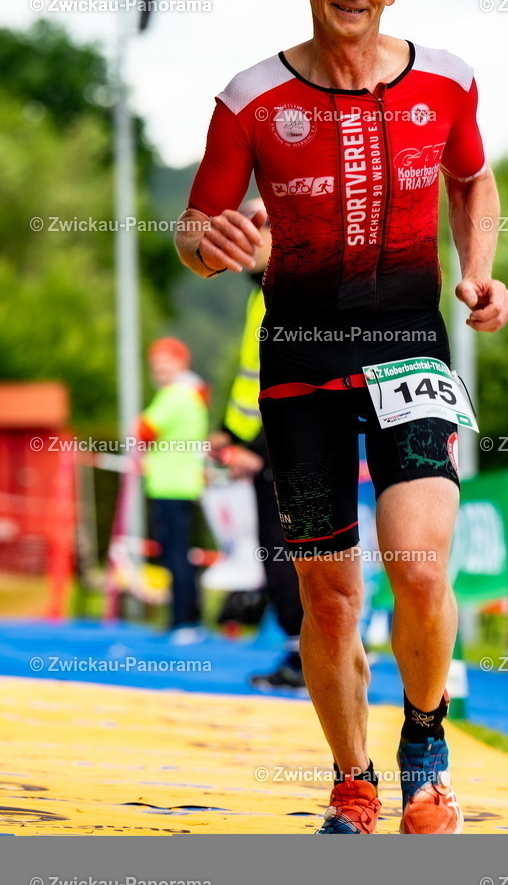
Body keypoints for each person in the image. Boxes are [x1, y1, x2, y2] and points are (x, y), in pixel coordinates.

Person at [175, 0, 508, 834]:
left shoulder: (446, 80)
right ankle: (351, 781)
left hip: (408, 343)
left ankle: (426, 752)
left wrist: (479, 273)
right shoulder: (249, 98)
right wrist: (212, 244)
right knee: (327, 597)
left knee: (419, 564)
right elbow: (194, 229)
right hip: (299, 355)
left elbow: (471, 179)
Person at [211, 197, 305, 692]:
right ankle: (303, 654)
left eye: (257, 228)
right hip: (269, 447)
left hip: (288, 450)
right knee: (279, 551)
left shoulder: (291, 294)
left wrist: (259, 450)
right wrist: (229, 433)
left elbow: (295, 386)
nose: (244, 239)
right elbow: (253, 378)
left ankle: (308, 658)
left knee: (290, 552)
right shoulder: (261, 294)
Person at [137, 337, 210, 644]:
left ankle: (184, 621)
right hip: (185, 483)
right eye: (155, 366)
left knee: (175, 555)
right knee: (181, 553)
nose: (159, 372)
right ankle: (186, 619)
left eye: (164, 364)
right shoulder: (193, 395)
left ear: (181, 363)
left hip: (169, 484)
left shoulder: (174, 395)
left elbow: (143, 429)